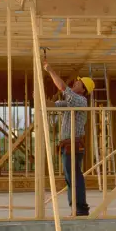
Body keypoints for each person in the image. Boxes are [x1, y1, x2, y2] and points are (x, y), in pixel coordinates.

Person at [43, 59, 95, 216]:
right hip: (68, 146)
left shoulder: (80, 100)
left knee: (74, 177)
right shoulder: (71, 102)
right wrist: (40, 98)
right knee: (71, 177)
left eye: (78, 83)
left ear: (83, 89)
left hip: (73, 145)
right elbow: (51, 106)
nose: (75, 83)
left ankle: (80, 209)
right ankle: (77, 209)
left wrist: (50, 69)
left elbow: (62, 87)